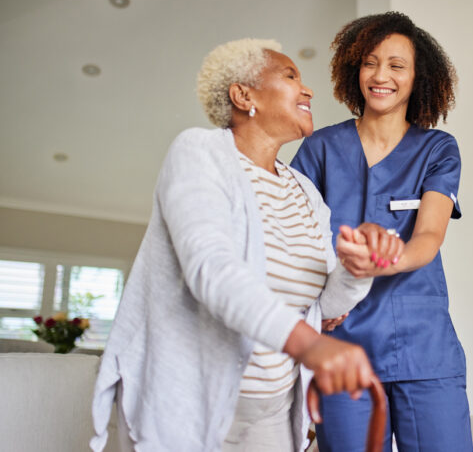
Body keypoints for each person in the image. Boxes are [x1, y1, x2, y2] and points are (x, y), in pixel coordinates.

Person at [90, 38, 400, 452]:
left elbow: (321, 308)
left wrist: (357, 268)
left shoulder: (304, 191)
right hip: (188, 398)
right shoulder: (199, 152)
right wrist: (310, 346)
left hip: (271, 411)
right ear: (243, 94)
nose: (307, 90)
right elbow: (211, 270)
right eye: (291, 76)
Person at [291, 12, 473, 451]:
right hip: (341, 345)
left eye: (396, 66)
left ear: (417, 77)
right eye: (370, 62)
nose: (380, 76)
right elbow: (292, 238)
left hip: (424, 346)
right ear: (355, 69)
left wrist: (385, 259)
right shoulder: (321, 148)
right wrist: (312, 308)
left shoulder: (437, 149)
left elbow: (428, 237)